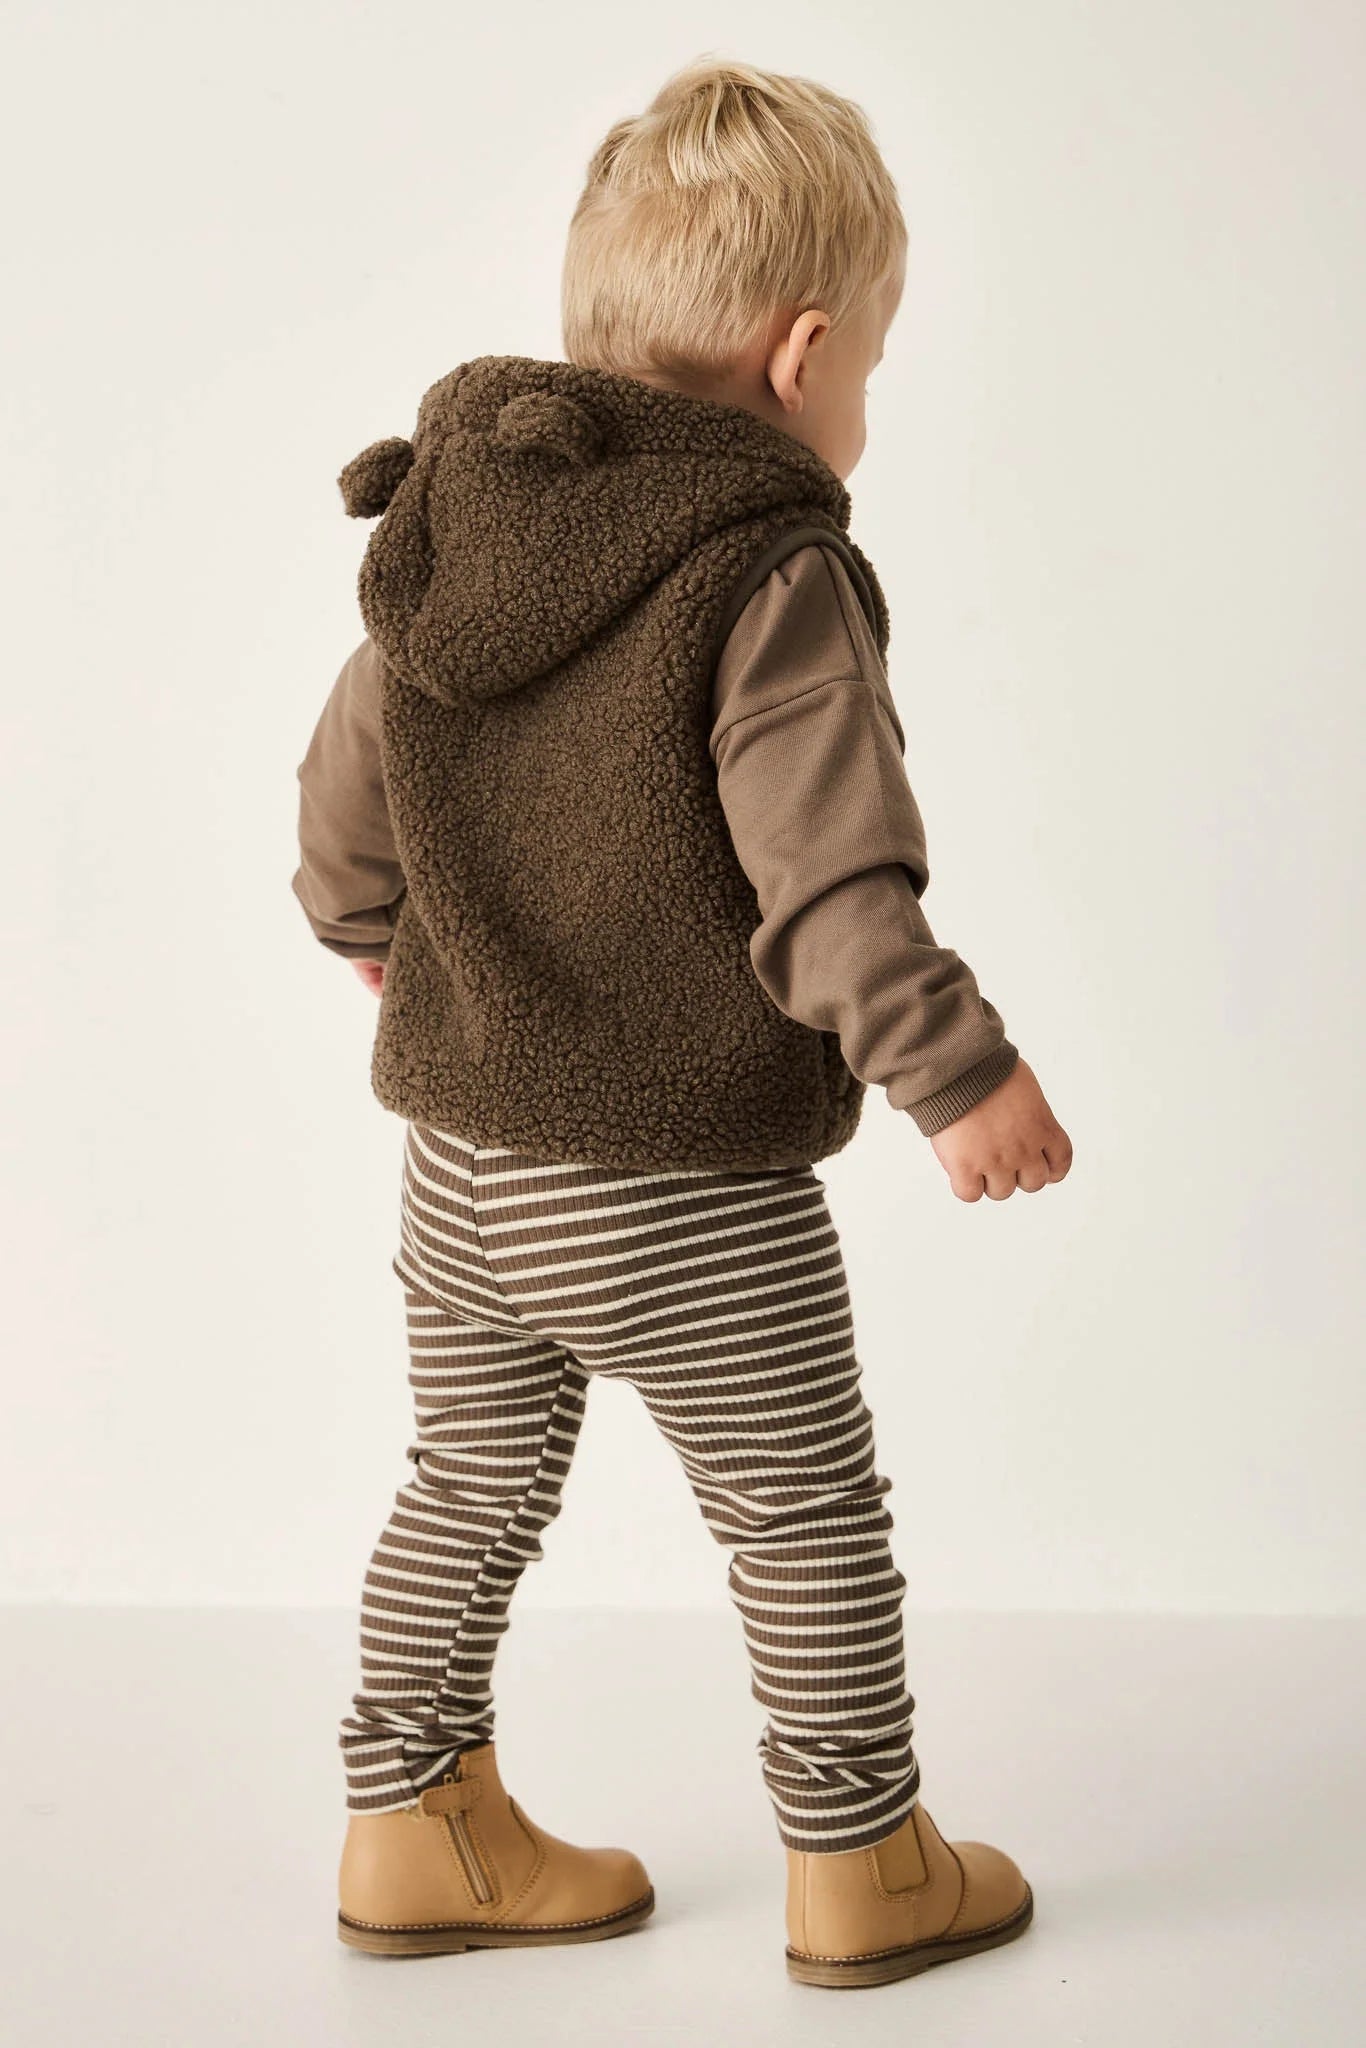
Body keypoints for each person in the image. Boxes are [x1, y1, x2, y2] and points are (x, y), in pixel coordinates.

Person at [291, 56, 1072, 1989]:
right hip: (674, 1181)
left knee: (465, 1487)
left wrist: (375, 937)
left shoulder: (460, 533)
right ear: (801, 357)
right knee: (801, 1518)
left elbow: (342, 797)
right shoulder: (766, 568)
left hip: (463, 1170)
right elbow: (829, 876)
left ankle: (407, 1824)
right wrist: (956, 1072)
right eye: (869, 363)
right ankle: (862, 1863)